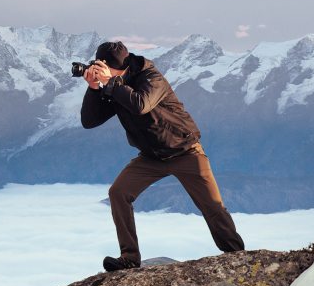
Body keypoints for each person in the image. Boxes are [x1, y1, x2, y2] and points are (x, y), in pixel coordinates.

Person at [80, 41, 244, 271]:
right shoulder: (114, 85)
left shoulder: (151, 77)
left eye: (105, 68)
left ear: (122, 66)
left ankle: (237, 255)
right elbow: (89, 121)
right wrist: (94, 88)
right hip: (150, 157)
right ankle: (129, 258)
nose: (102, 71)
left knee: (212, 206)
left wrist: (110, 83)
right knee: (118, 193)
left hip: (185, 151)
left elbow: (140, 105)